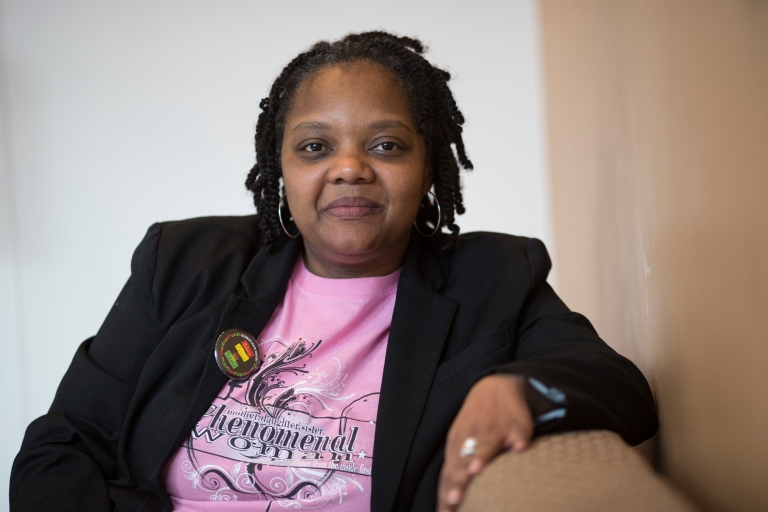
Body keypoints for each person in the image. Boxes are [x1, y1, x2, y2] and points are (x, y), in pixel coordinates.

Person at [10, 32, 657, 512]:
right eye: (316, 147)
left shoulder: (491, 279)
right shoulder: (184, 263)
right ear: (281, 167)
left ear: (428, 166)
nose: (350, 168)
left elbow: (619, 387)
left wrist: (521, 389)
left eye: (386, 145)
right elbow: (62, 445)